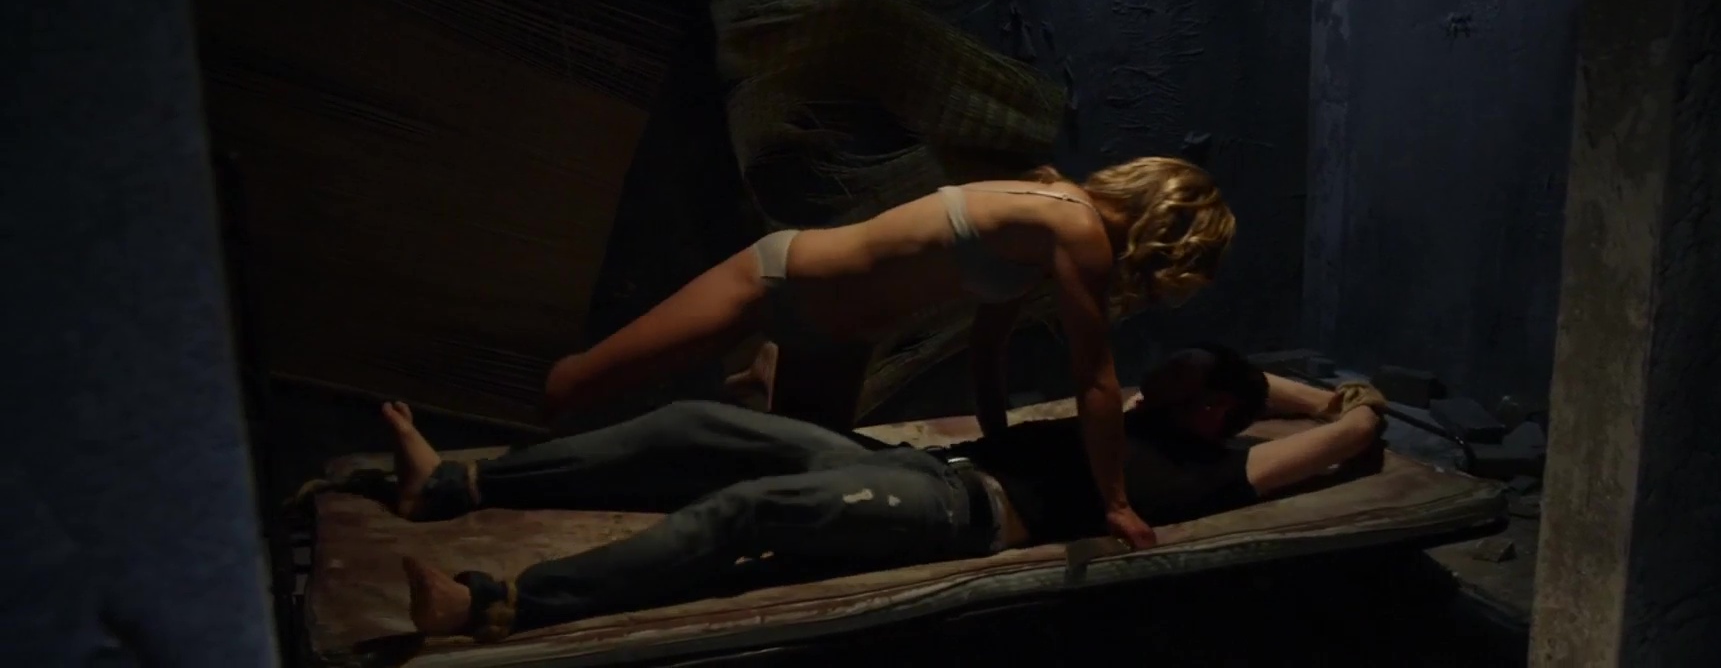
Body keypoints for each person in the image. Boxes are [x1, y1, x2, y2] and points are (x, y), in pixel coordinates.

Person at [383, 344, 1388, 642]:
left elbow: (1344, 432)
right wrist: (1280, 385)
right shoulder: (1130, 415)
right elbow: (1259, 386)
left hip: (956, 515)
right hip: (917, 467)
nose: (1154, 372)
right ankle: (455, 482)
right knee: (693, 426)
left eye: (1182, 375)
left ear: (1210, 410)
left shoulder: (1213, 469)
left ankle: (496, 604)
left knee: (746, 510)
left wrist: (1346, 402)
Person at [544, 156, 1237, 549]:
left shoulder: (1052, 229)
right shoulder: (1075, 226)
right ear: (1166, 232)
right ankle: (481, 466)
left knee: (785, 468)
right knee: (575, 385)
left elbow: (988, 345)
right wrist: (1116, 503)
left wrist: (998, 437)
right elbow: (1095, 380)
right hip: (774, 283)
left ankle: (767, 373)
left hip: (841, 339)